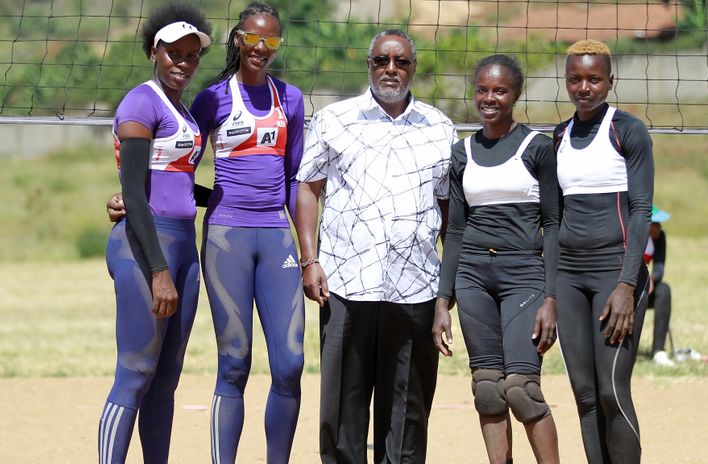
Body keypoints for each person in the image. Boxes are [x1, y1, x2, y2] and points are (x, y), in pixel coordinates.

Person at [106, 3, 306, 462]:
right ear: (238, 39)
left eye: (271, 41)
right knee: (193, 366)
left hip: (261, 236)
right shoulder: (199, 100)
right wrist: (127, 199)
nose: (261, 47)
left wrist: (310, 253)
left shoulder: (285, 100)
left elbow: (292, 178)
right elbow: (153, 178)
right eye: (253, 38)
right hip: (204, 241)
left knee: (285, 364)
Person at [294, 29, 456, 464]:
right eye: (382, 60)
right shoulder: (334, 119)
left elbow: (448, 212)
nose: (391, 68)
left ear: (413, 68)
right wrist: (310, 260)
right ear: (369, 65)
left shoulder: (440, 127)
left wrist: (448, 288)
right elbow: (307, 188)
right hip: (347, 283)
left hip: (416, 286)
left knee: (407, 412)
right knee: (343, 410)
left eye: (401, 61)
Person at [432, 54, 560, 464]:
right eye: (483, 89)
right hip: (472, 276)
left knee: (521, 389)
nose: (489, 98)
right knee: (487, 387)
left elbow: (554, 225)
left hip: (524, 273)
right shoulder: (462, 151)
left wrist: (551, 297)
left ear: (515, 94)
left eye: (500, 90)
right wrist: (442, 299)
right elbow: (453, 230)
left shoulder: (538, 147)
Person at [97, 5, 211, 463]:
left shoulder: (180, 109)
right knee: (136, 371)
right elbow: (135, 194)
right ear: (153, 53)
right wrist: (159, 272)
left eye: (191, 55)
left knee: (165, 381)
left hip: (183, 243)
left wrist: (237, 196)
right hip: (146, 248)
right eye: (174, 54)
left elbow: (177, 185)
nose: (183, 62)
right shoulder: (140, 103)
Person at [551, 39, 653, 464]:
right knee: (586, 394)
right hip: (571, 279)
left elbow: (641, 209)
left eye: (594, 79)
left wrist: (628, 284)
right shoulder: (558, 134)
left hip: (616, 274)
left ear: (610, 81)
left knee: (612, 389)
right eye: (575, 79)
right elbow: (552, 219)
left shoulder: (626, 129)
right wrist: (551, 291)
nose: (584, 87)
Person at [645, 206, 674, 367]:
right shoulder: (628, 235)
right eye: (657, 223)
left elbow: (659, 267)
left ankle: (658, 350)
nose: (660, 228)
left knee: (664, 290)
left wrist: (652, 279)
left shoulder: (659, 237)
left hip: (645, 287)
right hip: (623, 289)